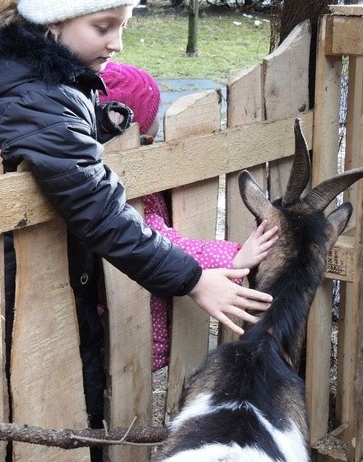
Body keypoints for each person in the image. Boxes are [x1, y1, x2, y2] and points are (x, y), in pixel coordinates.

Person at [0, 0, 275, 462]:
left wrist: (102, 122)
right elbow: (98, 208)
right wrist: (191, 278)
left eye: (123, 26)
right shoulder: (35, 97)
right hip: (25, 289)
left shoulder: (37, 77)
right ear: (53, 22)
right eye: (103, 26)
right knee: (50, 401)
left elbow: (61, 138)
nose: (117, 44)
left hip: (44, 278)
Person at [99, 61, 279, 370]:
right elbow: (154, 240)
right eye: (147, 138)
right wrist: (232, 257)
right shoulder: (120, 196)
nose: (155, 137)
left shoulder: (120, 182)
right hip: (122, 330)